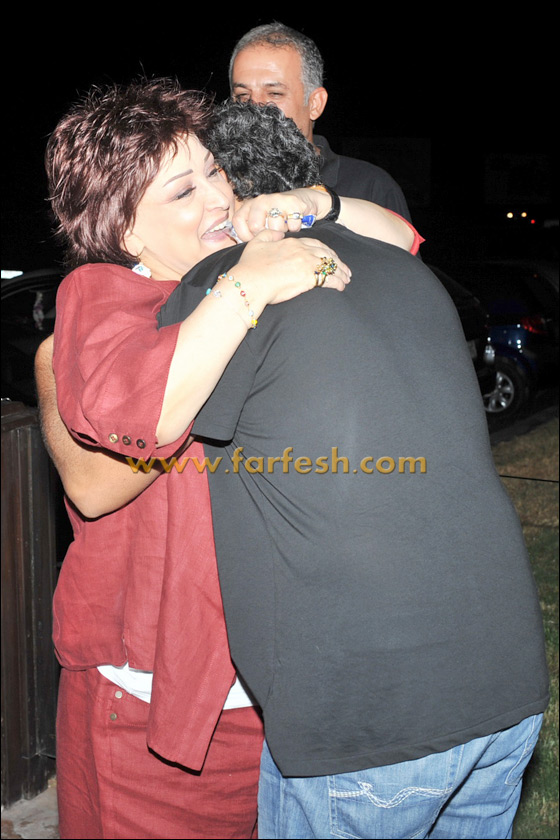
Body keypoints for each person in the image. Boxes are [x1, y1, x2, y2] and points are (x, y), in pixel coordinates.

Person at [156, 101, 550, 839]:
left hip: (370, 715)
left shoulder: (227, 285)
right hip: (505, 683)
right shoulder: (411, 273)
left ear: (227, 200)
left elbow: (143, 427)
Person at [37, 79, 414, 840]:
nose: (218, 197)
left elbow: (400, 242)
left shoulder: (250, 280)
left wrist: (310, 206)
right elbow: (98, 480)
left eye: (215, 171)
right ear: (125, 229)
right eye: (183, 190)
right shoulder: (103, 308)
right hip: (149, 706)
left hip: (277, 700)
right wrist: (244, 286)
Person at [229, 21, 413, 220]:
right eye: (242, 96)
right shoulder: (220, 189)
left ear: (315, 103)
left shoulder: (370, 188)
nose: (255, 107)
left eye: (275, 93)